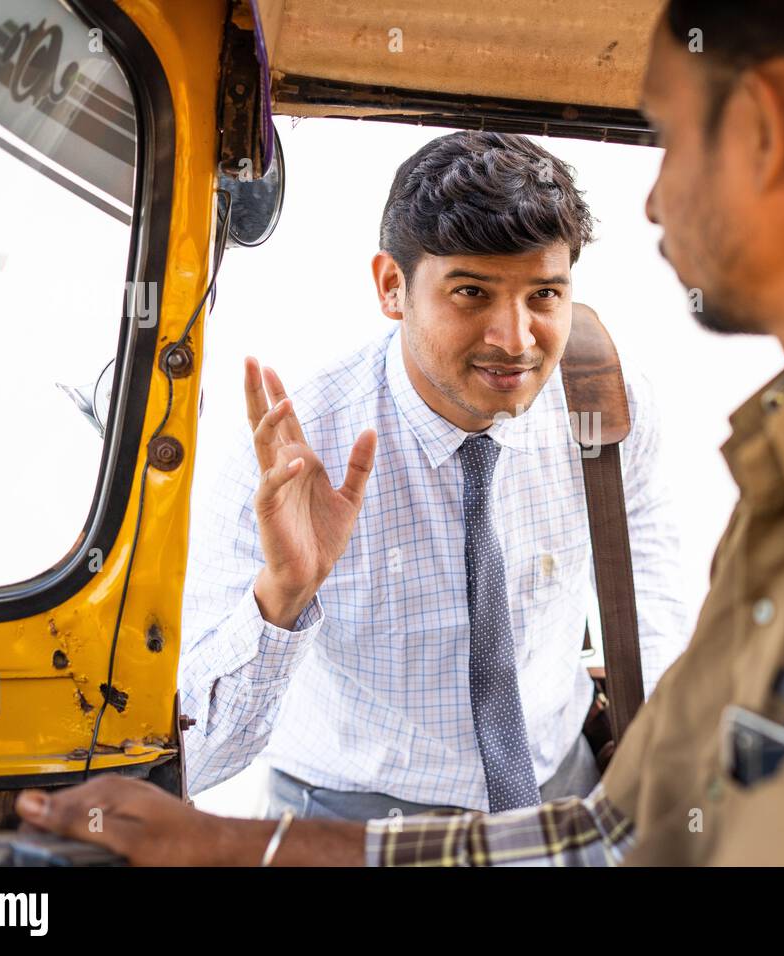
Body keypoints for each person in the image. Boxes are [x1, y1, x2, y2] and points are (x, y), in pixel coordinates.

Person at [19, 0, 784, 865]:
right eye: (472, 292)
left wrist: (249, 855)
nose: (649, 198)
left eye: (670, 138)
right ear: (393, 286)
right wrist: (267, 747)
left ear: (771, 135)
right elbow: (635, 826)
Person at [176, 131, 690, 819]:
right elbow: (196, 756)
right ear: (393, 286)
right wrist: (284, 596)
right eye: (472, 292)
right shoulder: (291, 458)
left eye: (544, 295)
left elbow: (652, 607)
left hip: (565, 793)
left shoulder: (605, 403)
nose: (514, 338)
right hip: (349, 824)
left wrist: (662, 770)